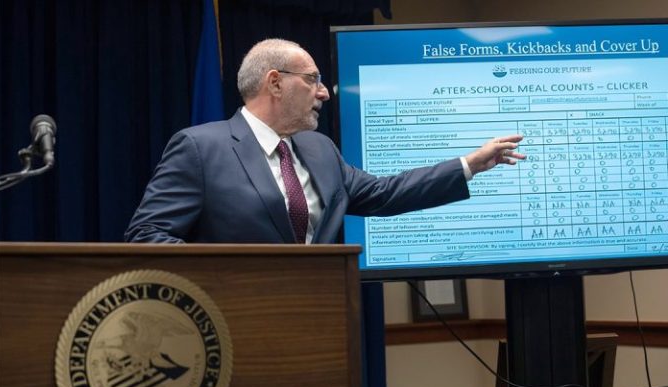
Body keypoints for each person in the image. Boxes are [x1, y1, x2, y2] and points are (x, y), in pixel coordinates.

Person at [125, 38, 525, 244]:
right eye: (312, 79)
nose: (323, 92)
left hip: (319, 322)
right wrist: (226, 274)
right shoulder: (200, 148)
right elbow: (147, 234)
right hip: (230, 324)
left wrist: (469, 165)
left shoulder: (320, 150)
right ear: (275, 83)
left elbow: (386, 193)